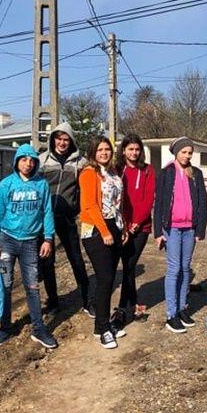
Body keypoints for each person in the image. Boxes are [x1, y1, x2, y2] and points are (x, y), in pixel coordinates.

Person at [0, 144, 58, 349]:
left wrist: (48, 238)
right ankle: (5, 327)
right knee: (5, 285)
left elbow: (47, 212)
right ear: (17, 161)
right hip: (7, 240)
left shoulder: (41, 185)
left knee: (33, 286)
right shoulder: (6, 185)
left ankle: (39, 329)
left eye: (32, 160)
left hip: (31, 242)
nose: (28, 163)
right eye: (24, 159)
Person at [38, 123, 94, 318]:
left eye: (66, 139)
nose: (62, 143)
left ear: (71, 141)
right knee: (47, 261)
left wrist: (77, 209)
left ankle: (87, 300)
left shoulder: (80, 163)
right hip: (45, 218)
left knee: (76, 258)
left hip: (66, 217)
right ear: (53, 139)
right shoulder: (42, 161)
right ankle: (53, 301)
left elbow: (86, 187)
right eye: (59, 139)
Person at [153, 137, 207, 334]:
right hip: (172, 228)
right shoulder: (166, 172)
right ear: (176, 152)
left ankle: (182, 308)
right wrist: (158, 232)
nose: (187, 156)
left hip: (189, 229)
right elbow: (159, 203)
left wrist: (200, 229)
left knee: (185, 268)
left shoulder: (196, 173)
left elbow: (202, 202)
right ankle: (171, 314)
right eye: (183, 152)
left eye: (189, 152)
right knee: (174, 269)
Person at [79, 136, 128, 349]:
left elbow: (118, 203)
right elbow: (89, 205)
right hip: (96, 230)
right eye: (99, 150)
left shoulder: (113, 172)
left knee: (108, 279)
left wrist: (122, 227)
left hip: (114, 226)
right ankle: (102, 328)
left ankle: (102, 325)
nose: (104, 153)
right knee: (105, 279)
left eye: (107, 149)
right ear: (93, 152)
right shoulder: (89, 173)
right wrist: (105, 231)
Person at [116, 134, 155, 323]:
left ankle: (123, 308)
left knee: (130, 265)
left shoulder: (148, 170)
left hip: (141, 227)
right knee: (128, 267)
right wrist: (124, 224)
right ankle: (134, 306)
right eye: (130, 149)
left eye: (137, 149)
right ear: (123, 150)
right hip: (121, 226)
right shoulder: (117, 170)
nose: (134, 152)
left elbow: (148, 198)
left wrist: (137, 223)